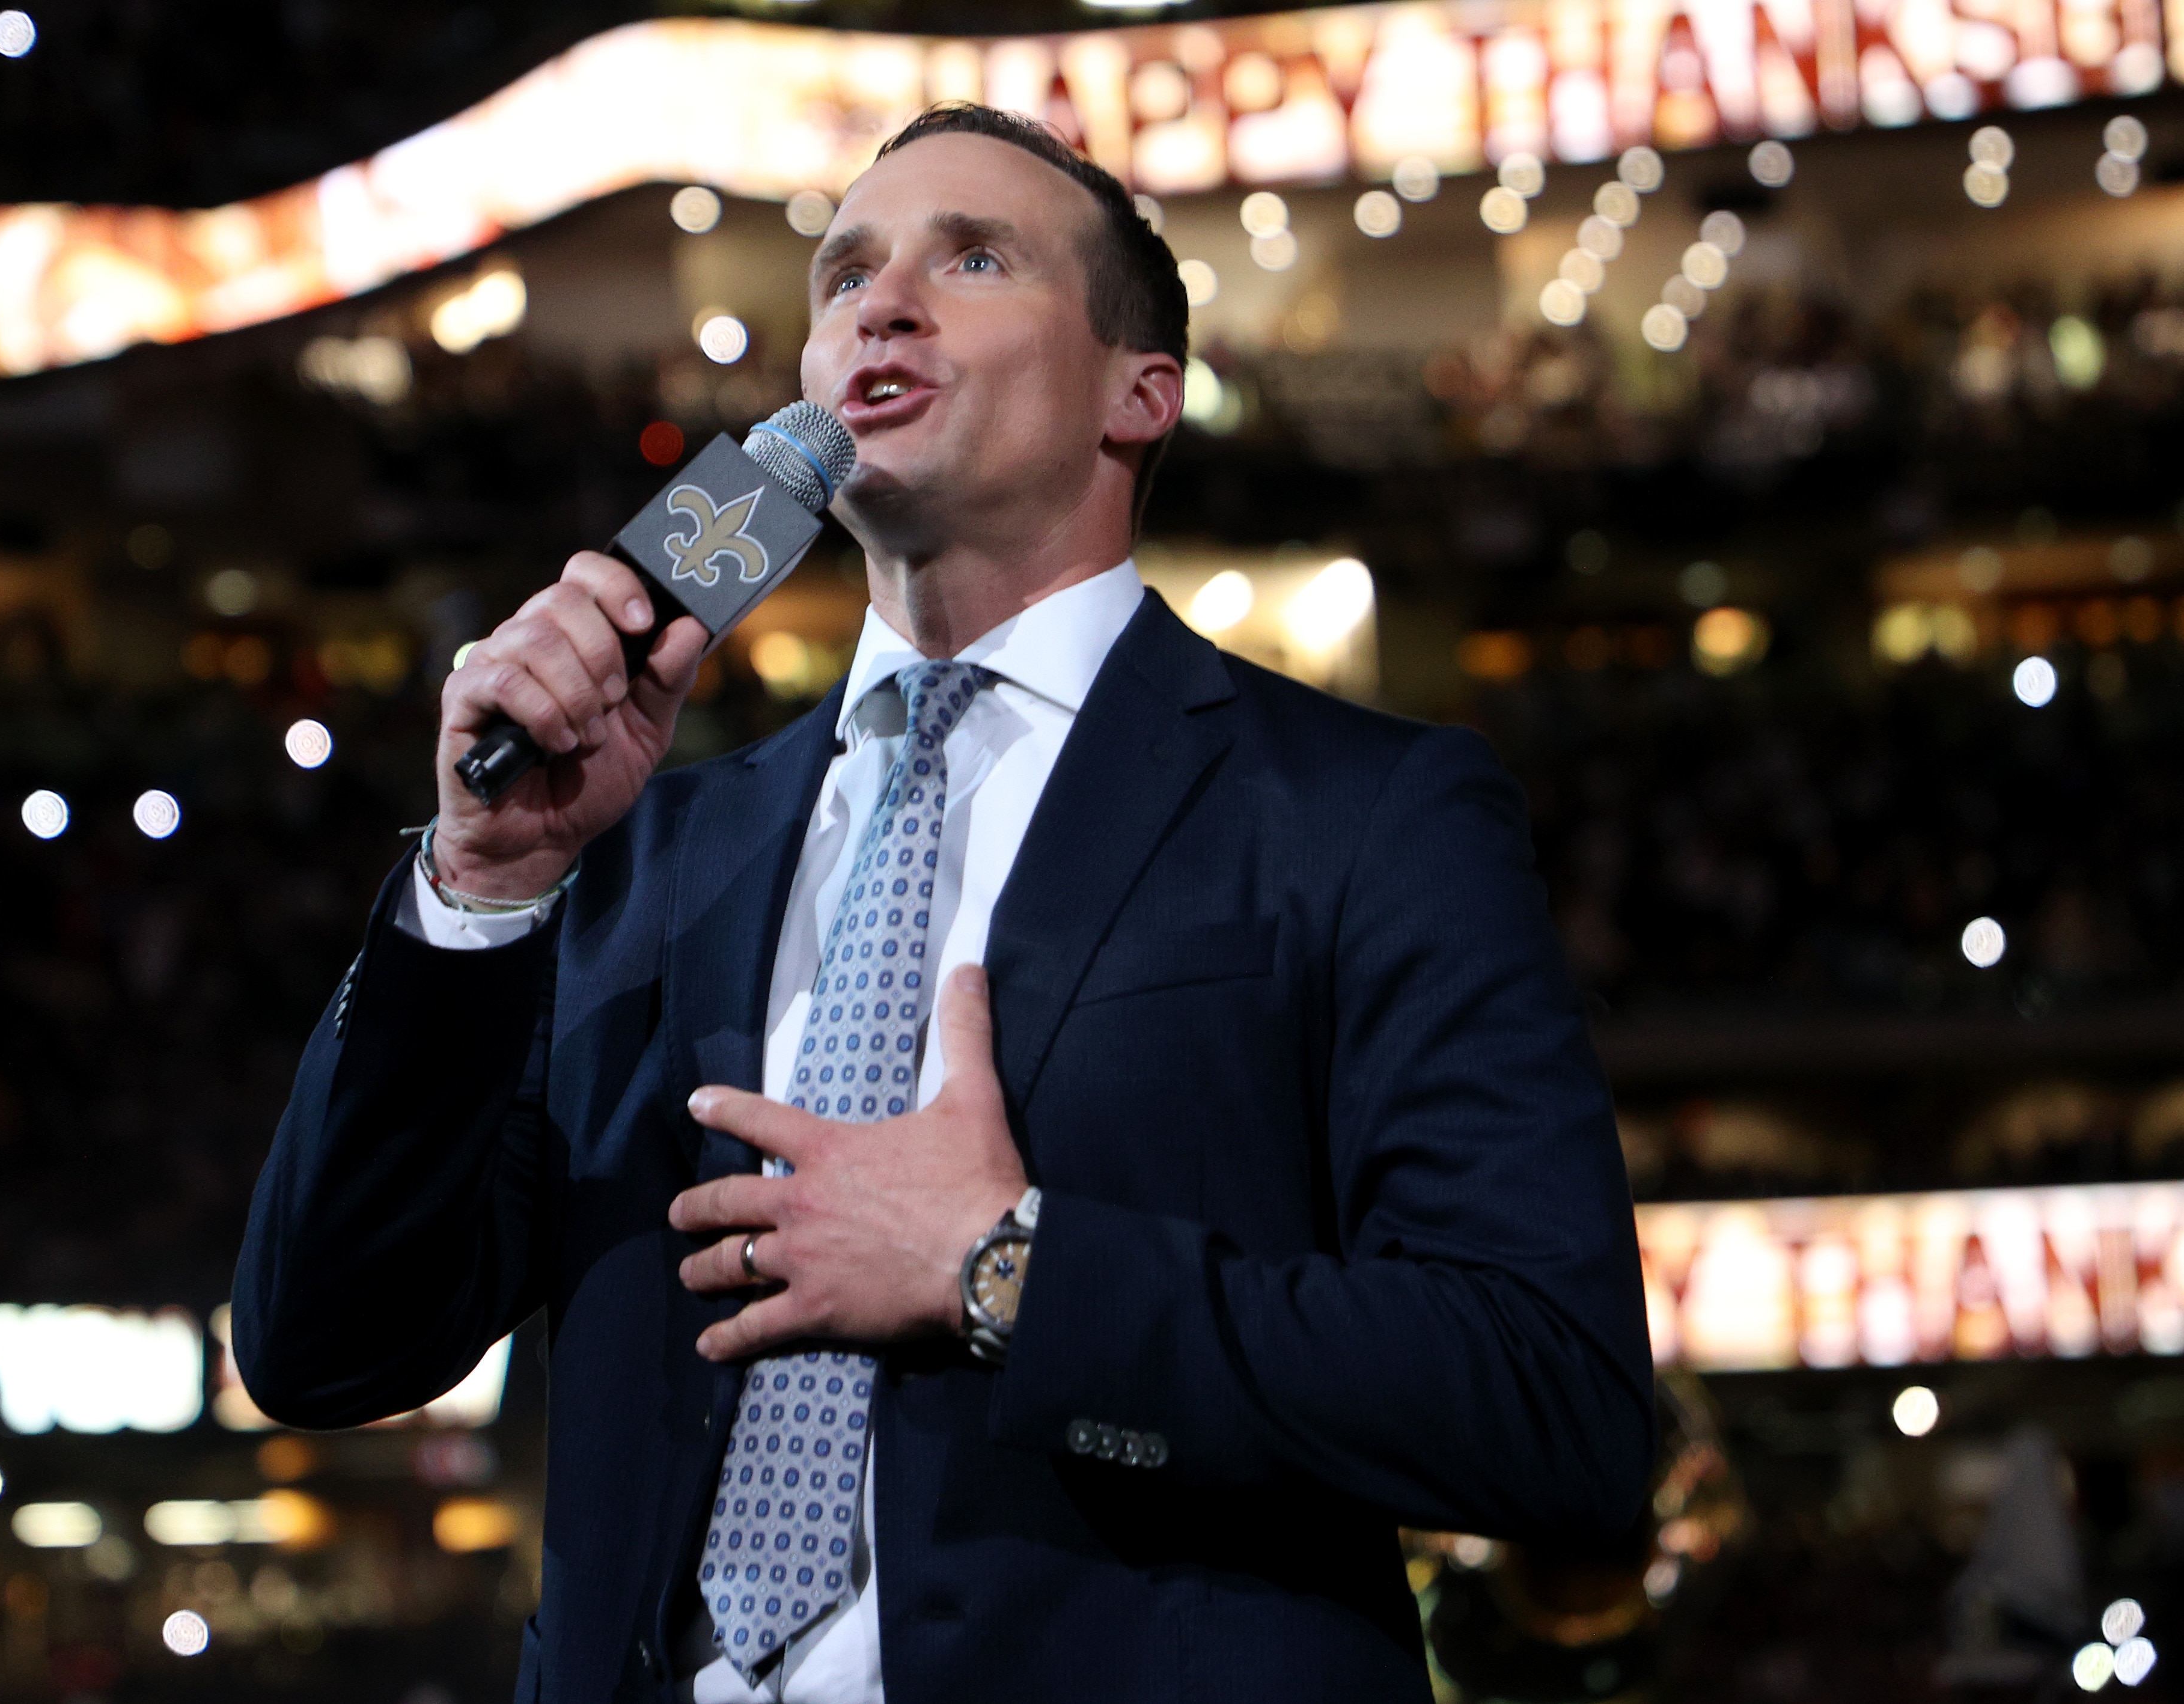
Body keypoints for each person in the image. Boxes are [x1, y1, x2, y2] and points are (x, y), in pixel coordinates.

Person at [233, 105, 1654, 1704]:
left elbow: (1556, 1406)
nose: (881, 306)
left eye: (972, 260)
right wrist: (480, 888)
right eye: (844, 276)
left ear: (1139, 394)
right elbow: (321, 1345)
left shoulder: (1361, 813)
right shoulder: (642, 851)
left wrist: (1010, 1269)